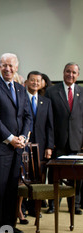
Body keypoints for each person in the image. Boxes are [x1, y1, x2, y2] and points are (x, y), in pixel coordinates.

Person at [0, 53, 32, 233]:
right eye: (4, 65)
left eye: (11, 66)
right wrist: (10, 138)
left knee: (12, 188)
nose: (7, 69)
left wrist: (24, 137)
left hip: (18, 146)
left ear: (16, 67)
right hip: (1, 148)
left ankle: (9, 224)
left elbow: (27, 116)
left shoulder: (20, 89)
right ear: (0, 67)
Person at [45, 63, 83, 214]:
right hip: (57, 140)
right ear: (63, 72)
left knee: (78, 175)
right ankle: (53, 204)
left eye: (74, 72)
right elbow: (48, 119)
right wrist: (49, 142)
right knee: (55, 174)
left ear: (78, 75)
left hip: (77, 141)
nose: (71, 75)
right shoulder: (51, 91)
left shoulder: (82, 92)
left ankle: (75, 205)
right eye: (68, 71)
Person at [19, 71, 54, 220]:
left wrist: (49, 147)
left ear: (41, 83)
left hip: (40, 145)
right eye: (32, 80)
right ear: (26, 82)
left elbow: (49, 126)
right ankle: (22, 207)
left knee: (38, 177)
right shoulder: (20, 99)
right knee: (22, 177)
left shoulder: (46, 102)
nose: (35, 83)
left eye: (37, 81)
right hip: (23, 144)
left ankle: (35, 207)